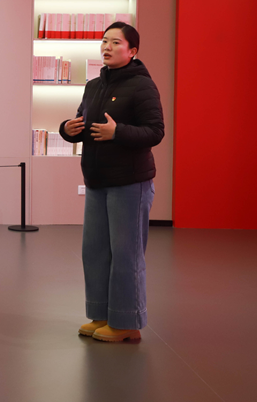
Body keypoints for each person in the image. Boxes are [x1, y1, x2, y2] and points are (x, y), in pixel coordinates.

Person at [59, 22, 164, 343]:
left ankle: (127, 323)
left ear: (132, 51)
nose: (107, 47)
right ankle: (102, 315)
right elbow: (82, 121)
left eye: (116, 42)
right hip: (97, 180)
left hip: (130, 183)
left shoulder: (142, 85)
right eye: (104, 41)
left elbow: (155, 131)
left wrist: (117, 132)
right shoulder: (93, 85)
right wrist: (67, 129)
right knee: (95, 252)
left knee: (126, 255)